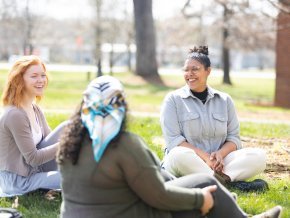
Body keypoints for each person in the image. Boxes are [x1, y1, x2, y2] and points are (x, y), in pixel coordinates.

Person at [57, 75, 282, 218]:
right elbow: (158, 195)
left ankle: (231, 206)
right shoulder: (124, 144)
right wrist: (200, 199)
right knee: (204, 186)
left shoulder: (68, 141)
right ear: (122, 107)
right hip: (129, 211)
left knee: (196, 181)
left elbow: (150, 180)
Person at [160, 46, 267, 190]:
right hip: (188, 161)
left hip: (219, 163)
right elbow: (174, 141)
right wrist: (205, 157)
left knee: (258, 156)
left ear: (208, 71)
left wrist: (220, 154)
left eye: (195, 69)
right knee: (178, 155)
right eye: (186, 70)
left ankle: (217, 181)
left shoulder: (225, 100)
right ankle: (230, 184)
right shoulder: (173, 100)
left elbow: (234, 138)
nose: (189, 74)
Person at [0, 55, 66, 197]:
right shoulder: (15, 115)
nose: (41, 80)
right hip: (18, 180)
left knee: (68, 127)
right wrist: (67, 143)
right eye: (34, 76)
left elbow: (50, 143)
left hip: (34, 169)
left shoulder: (35, 109)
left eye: (43, 75)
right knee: (75, 178)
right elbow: (34, 158)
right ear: (19, 80)